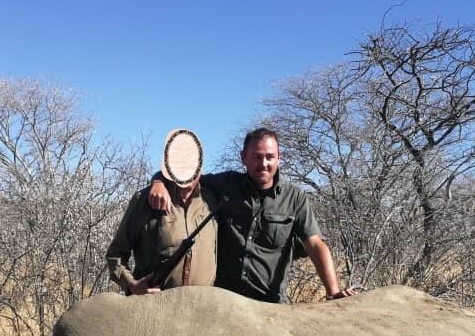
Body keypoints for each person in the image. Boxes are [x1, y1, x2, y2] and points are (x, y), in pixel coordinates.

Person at [149, 127, 355, 303]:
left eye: (269, 157)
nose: (263, 163)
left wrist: (333, 291)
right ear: (243, 158)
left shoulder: (296, 198)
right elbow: (186, 176)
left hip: (269, 305)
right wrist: (158, 181)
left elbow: (315, 244)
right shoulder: (226, 184)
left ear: (278, 158)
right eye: (256, 156)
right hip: (224, 301)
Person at [107, 129, 217, 295]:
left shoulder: (213, 197)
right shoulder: (145, 200)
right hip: (155, 310)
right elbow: (116, 254)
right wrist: (132, 285)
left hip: (202, 311)